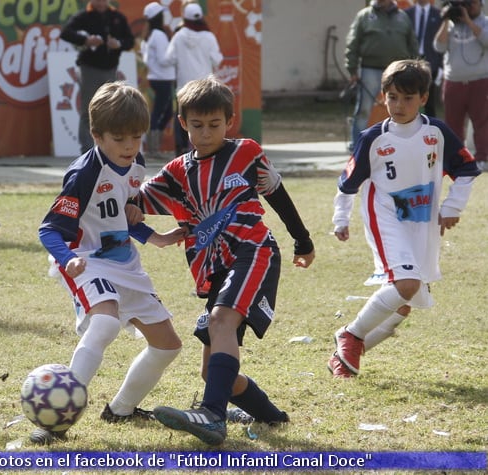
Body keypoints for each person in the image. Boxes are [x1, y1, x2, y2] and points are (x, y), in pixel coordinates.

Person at [136, 77, 315, 446]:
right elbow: (134, 204)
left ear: (229, 122)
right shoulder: (175, 173)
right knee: (213, 372)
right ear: (183, 123)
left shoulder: (247, 152)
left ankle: (212, 416)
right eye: (196, 125)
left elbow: (276, 193)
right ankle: (271, 417)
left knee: (220, 321)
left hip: (254, 252)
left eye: (214, 125)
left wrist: (303, 239)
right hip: (216, 269)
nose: (205, 133)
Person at [34, 82, 185, 445]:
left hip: (126, 265)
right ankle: (54, 421)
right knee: (103, 324)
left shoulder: (136, 164)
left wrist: (157, 237)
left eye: (136, 137)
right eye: (119, 138)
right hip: (86, 262)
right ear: (96, 135)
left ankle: (121, 408)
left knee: (168, 346)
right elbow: (49, 230)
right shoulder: (84, 174)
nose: (130, 146)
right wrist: (68, 259)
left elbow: (124, 216)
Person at [328, 59, 480, 378]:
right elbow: (348, 184)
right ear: (383, 96)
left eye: (407, 98)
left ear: (423, 98)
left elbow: (467, 169)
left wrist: (453, 207)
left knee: (404, 302)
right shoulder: (373, 138)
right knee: (406, 284)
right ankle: (351, 336)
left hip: (421, 222)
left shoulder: (436, 132)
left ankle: (345, 358)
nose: (398, 105)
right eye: (392, 97)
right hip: (384, 217)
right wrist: (340, 219)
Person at [60, 0, 135, 154]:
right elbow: (65, 33)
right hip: (89, 68)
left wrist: (118, 44)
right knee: (88, 108)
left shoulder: (117, 17)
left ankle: (108, 147)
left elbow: (130, 41)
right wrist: (85, 40)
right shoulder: (84, 16)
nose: (101, 2)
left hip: (110, 68)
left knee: (111, 108)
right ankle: (86, 149)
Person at [345, 0, 418, 151]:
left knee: (400, 106)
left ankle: (400, 144)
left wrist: (414, 69)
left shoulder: (403, 16)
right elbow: (353, 43)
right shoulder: (364, 16)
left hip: (398, 71)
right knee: (364, 109)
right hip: (370, 68)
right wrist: (352, 69)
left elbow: (412, 44)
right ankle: (357, 146)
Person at [433, 0, 488, 170]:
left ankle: (482, 158)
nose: (468, 7)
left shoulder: (485, 22)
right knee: (453, 123)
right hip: (453, 82)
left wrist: (468, 21)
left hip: (480, 80)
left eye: (471, 3)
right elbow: (438, 46)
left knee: (482, 122)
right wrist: (445, 20)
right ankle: (455, 159)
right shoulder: (450, 25)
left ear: (481, 4)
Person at [164, 3, 222, 157]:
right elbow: (217, 60)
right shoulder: (209, 36)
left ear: (185, 18)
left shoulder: (179, 36)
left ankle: (181, 150)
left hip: (184, 87)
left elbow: (168, 59)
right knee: (206, 118)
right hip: (205, 88)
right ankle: (205, 150)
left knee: (183, 118)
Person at [141, 2, 175, 158]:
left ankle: (154, 147)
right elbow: (163, 59)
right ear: (159, 17)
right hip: (163, 78)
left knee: (165, 112)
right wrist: (175, 58)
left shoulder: (149, 35)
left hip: (156, 77)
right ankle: (153, 149)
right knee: (160, 112)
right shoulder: (159, 35)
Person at [405, 0, 443, 117]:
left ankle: (430, 131)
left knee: (429, 101)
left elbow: (442, 42)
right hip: (409, 60)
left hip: (431, 62)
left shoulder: (439, 14)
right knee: (408, 96)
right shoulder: (406, 13)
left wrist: (441, 66)